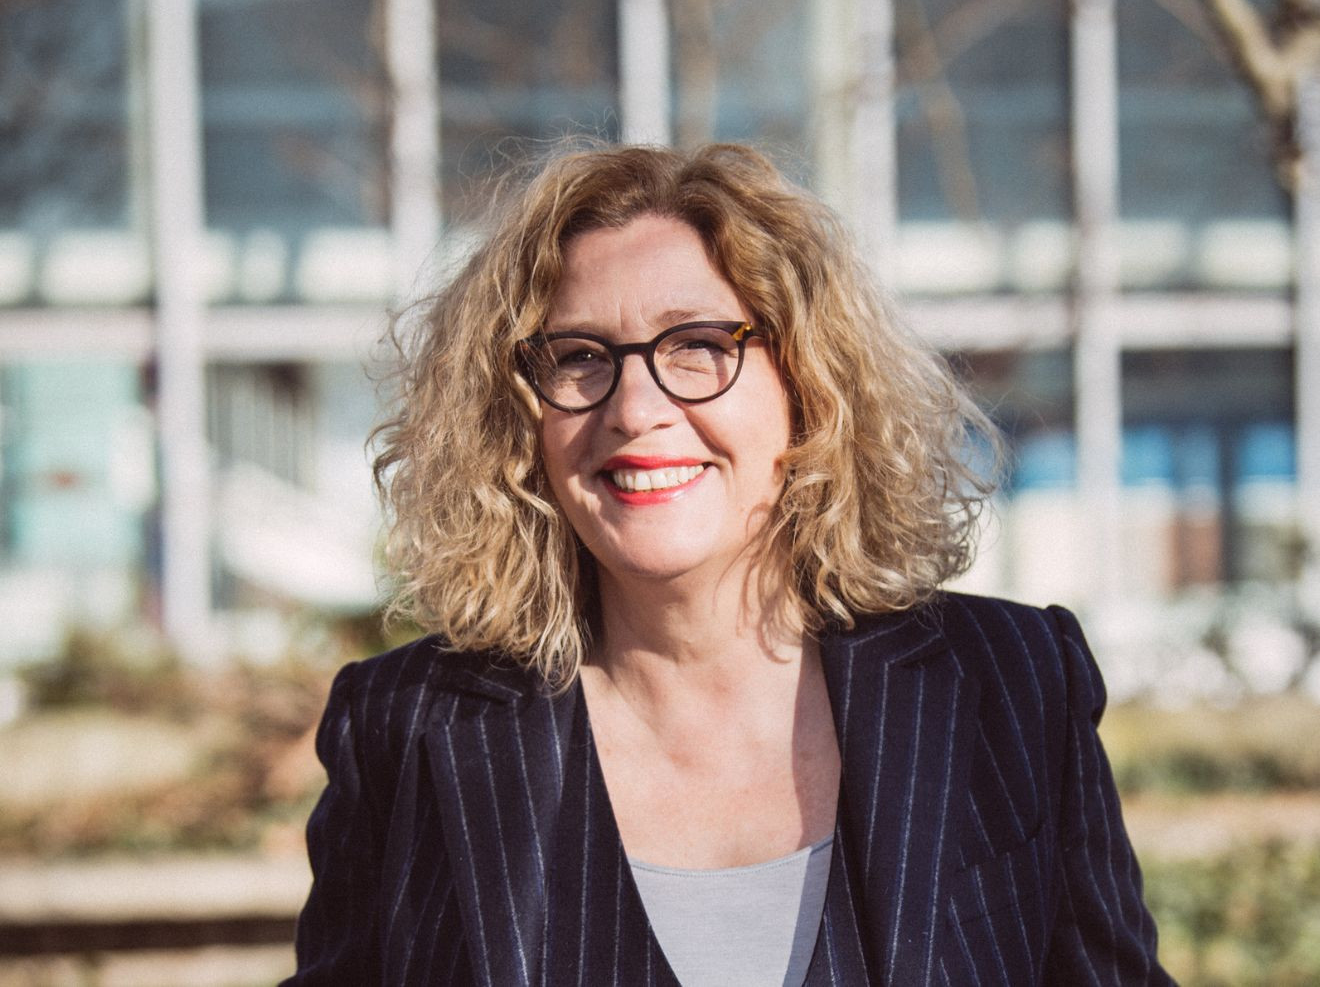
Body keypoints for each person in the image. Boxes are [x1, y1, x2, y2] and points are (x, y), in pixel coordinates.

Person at [285, 143, 1174, 986]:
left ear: (808, 383)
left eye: (698, 346)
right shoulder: (405, 728)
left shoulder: (1012, 684)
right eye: (580, 357)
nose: (635, 408)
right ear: (520, 422)